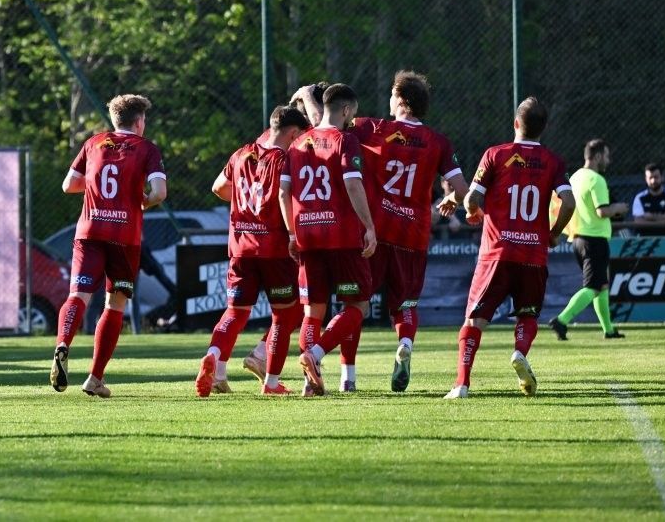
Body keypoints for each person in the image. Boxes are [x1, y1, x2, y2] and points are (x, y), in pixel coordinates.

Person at [336, 72, 470, 393]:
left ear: (400, 99)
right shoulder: (438, 142)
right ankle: (405, 342)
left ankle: (348, 378)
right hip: (413, 237)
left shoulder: (374, 128)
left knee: (356, 304)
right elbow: (464, 192)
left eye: (393, 94)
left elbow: (332, 123)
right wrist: (451, 198)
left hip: (375, 232)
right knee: (405, 306)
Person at [444, 97, 574, 399]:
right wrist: (553, 233)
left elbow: (473, 199)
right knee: (527, 316)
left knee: (474, 320)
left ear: (516, 123)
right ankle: (519, 352)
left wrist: (472, 212)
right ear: (544, 128)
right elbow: (568, 202)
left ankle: (461, 384)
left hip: (497, 254)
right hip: (533, 255)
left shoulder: (496, 154)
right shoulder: (554, 162)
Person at [49, 94, 167, 399]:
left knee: (78, 295)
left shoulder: (94, 143)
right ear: (139, 121)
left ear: (114, 120)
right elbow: (159, 192)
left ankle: (63, 344)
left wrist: (95, 189)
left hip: (89, 230)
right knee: (114, 304)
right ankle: (95, 378)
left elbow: (67, 186)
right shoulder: (147, 148)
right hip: (124, 236)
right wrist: (140, 201)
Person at [194, 105, 304, 397]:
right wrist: (293, 234)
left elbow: (218, 187)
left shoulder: (240, 153)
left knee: (235, 312)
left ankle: (215, 360)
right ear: (294, 134)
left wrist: (244, 203)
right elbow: (283, 195)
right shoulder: (284, 158)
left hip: (241, 248)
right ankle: (271, 384)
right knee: (285, 315)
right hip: (273, 249)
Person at [287, 84, 378, 397]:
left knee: (313, 312)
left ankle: (311, 384)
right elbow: (353, 185)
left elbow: (284, 192)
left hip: (307, 236)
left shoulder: (298, 142)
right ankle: (316, 356)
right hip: (340, 237)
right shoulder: (345, 140)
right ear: (348, 110)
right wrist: (369, 226)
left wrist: (290, 231)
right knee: (357, 305)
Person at [548, 139, 629, 341]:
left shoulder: (575, 177)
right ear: (598, 156)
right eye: (607, 156)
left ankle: (609, 330)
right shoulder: (596, 179)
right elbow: (602, 211)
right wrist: (618, 208)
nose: (608, 160)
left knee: (601, 286)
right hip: (594, 240)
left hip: (577, 239)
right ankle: (561, 320)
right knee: (593, 287)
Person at [630, 163, 665, 236]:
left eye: (656, 177)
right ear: (646, 179)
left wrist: (651, 217)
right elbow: (639, 223)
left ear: (662, 177)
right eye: (650, 178)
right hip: (646, 239)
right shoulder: (639, 197)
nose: (653, 181)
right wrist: (664, 217)